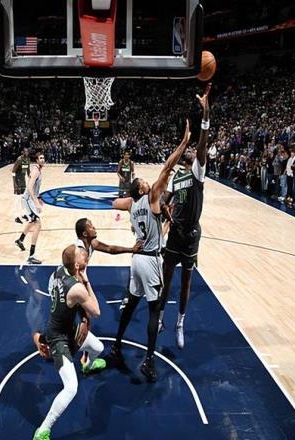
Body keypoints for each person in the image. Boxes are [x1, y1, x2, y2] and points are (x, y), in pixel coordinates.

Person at [108, 119, 191, 382]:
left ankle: (116, 346)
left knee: (132, 305)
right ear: (144, 189)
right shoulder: (151, 196)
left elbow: (115, 202)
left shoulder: (132, 204)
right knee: (155, 311)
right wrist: (184, 142)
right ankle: (149, 361)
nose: (148, 181)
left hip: (136, 260)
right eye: (144, 182)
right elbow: (167, 167)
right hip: (151, 261)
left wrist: (161, 222)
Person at [33, 245, 105, 440]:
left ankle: (87, 366)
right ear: (76, 265)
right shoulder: (77, 287)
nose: (84, 252)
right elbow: (97, 311)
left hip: (69, 330)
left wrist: (83, 319)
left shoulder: (59, 271)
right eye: (80, 253)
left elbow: (70, 301)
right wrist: (86, 280)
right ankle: (42, 430)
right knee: (71, 388)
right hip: (58, 339)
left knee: (98, 348)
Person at [158, 83, 211, 349]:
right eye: (188, 151)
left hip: (191, 235)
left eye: (193, 151)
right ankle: (159, 318)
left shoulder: (198, 172)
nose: (192, 152)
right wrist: (164, 209)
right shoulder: (177, 177)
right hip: (176, 234)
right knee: (166, 278)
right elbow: (165, 199)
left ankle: (180, 322)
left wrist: (205, 115)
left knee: (186, 282)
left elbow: (203, 144)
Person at [15, 151, 45, 264]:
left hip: (30, 199)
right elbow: (30, 187)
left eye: (43, 158)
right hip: (28, 200)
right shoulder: (36, 170)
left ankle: (20, 240)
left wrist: (39, 197)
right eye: (40, 158)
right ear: (36, 160)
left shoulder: (38, 170)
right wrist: (36, 202)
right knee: (38, 223)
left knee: (32, 221)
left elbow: (35, 189)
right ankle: (31, 256)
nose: (42, 159)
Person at [74, 217, 142, 259]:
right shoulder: (79, 251)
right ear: (85, 234)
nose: (94, 227)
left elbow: (110, 249)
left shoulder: (92, 243)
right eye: (90, 226)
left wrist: (131, 249)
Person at [13, 147, 31, 224]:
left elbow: (28, 171)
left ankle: (23, 214)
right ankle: (16, 216)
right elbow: (13, 171)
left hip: (23, 180)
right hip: (17, 180)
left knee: (23, 198)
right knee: (17, 199)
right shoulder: (19, 159)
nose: (27, 153)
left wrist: (31, 180)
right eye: (25, 151)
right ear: (22, 152)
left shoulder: (28, 160)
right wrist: (15, 183)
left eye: (27, 151)